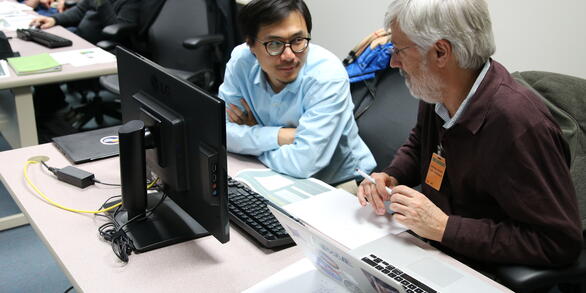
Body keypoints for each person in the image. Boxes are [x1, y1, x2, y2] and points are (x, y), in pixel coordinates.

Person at [358, 0, 583, 267]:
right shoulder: (437, 90)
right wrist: (391, 176)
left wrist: (444, 227)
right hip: (438, 250)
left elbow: (559, 242)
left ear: (441, 53)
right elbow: (420, 145)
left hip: (485, 269)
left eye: (399, 50)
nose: (393, 62)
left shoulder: (520, 125)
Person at [219, 0, 376, 190]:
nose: (289, 55)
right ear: (251, 44)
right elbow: (219, 131)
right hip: (268, 173)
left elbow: (303, 163)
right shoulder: (241, 62)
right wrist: (281, 136)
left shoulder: (327, 76)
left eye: (297, 40)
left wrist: (251, 140)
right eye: (274, 44)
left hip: (339, 182)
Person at [30, 0, 139, 44]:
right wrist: (54, 19)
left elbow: (117, 30)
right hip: (79, 37)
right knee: (37, 43)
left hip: (97, 46)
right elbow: (79, 10)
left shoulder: (132, 2)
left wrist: (101, 2)